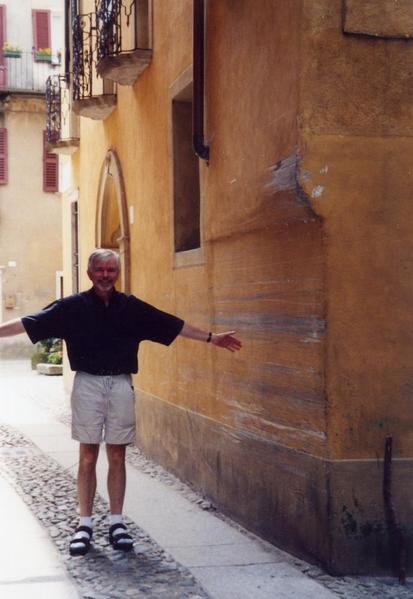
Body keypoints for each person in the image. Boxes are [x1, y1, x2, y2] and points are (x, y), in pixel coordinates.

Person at [0, 249, 241, 556]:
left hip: (121, 384)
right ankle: (84, 525)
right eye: (100, 270)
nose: (105, 275)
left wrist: (211, 338)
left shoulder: (131, 308)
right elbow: (28, 322)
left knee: (117, 454)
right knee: (87, 455)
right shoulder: (71, 307)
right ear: (90, 273)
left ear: (117, 273)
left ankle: (117, 523)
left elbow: (172, 324)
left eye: (111, 270)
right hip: (87, 383)